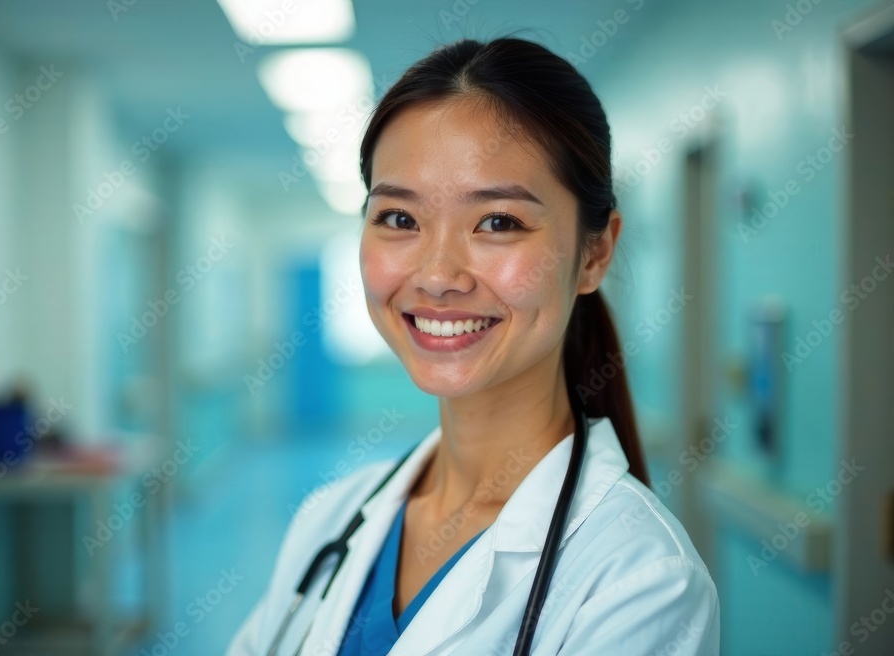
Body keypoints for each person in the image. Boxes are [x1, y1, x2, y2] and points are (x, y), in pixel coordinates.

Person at [227, 36, 719, 656]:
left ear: (595, 252)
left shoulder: (640, 583)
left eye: (499, 222)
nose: (437, 275)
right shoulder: (332, 519)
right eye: (400, 219)